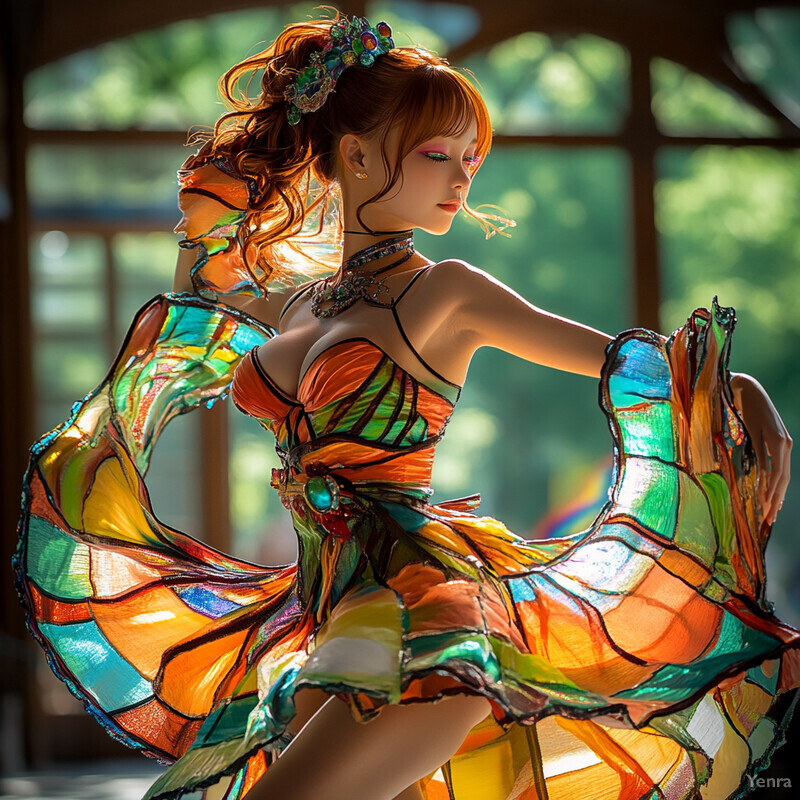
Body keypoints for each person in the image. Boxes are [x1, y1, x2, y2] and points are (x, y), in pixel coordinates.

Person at [15, 13, 798, 800]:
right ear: (354, 155)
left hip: (419, 621)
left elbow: (626, 363)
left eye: (471, 158)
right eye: (438, 156)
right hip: (321, 613)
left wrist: (736, 388)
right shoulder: (303, 308)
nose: (462, 179)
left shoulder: (447, 291)